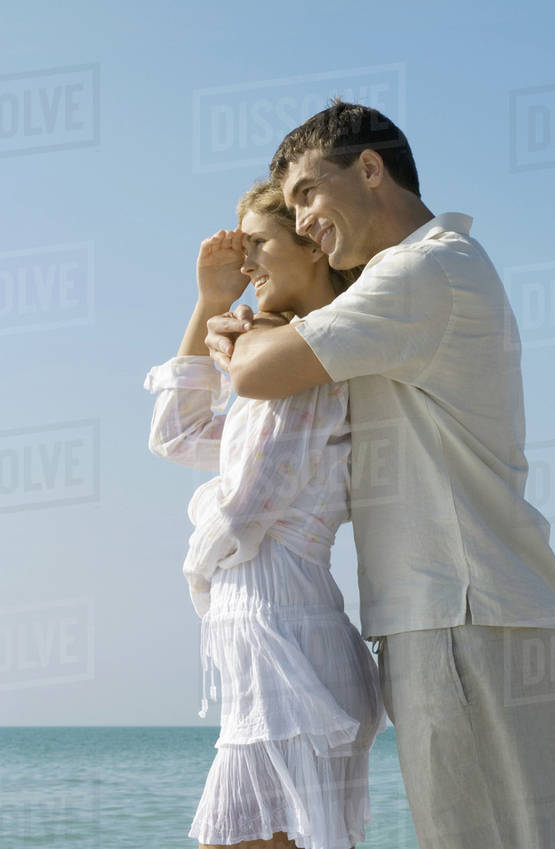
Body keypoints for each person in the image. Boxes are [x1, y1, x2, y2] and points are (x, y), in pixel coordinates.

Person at [205, 100, 555, 848]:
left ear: (370, 169)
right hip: (462, 610)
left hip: (459, 610)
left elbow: (260, 371)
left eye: (309, 192)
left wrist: (231, 329)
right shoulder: (423, 274)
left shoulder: (422, 270)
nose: (304, 220)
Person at [145, 180, 386, 849]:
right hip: (280, 644)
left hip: (289, 646)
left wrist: (196, 571)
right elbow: (175, 434)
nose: (246, 264)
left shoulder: (310, 359)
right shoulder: (277, 355)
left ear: (313, 243)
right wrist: (208, 305)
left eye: (259, 245)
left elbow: (248, 506)